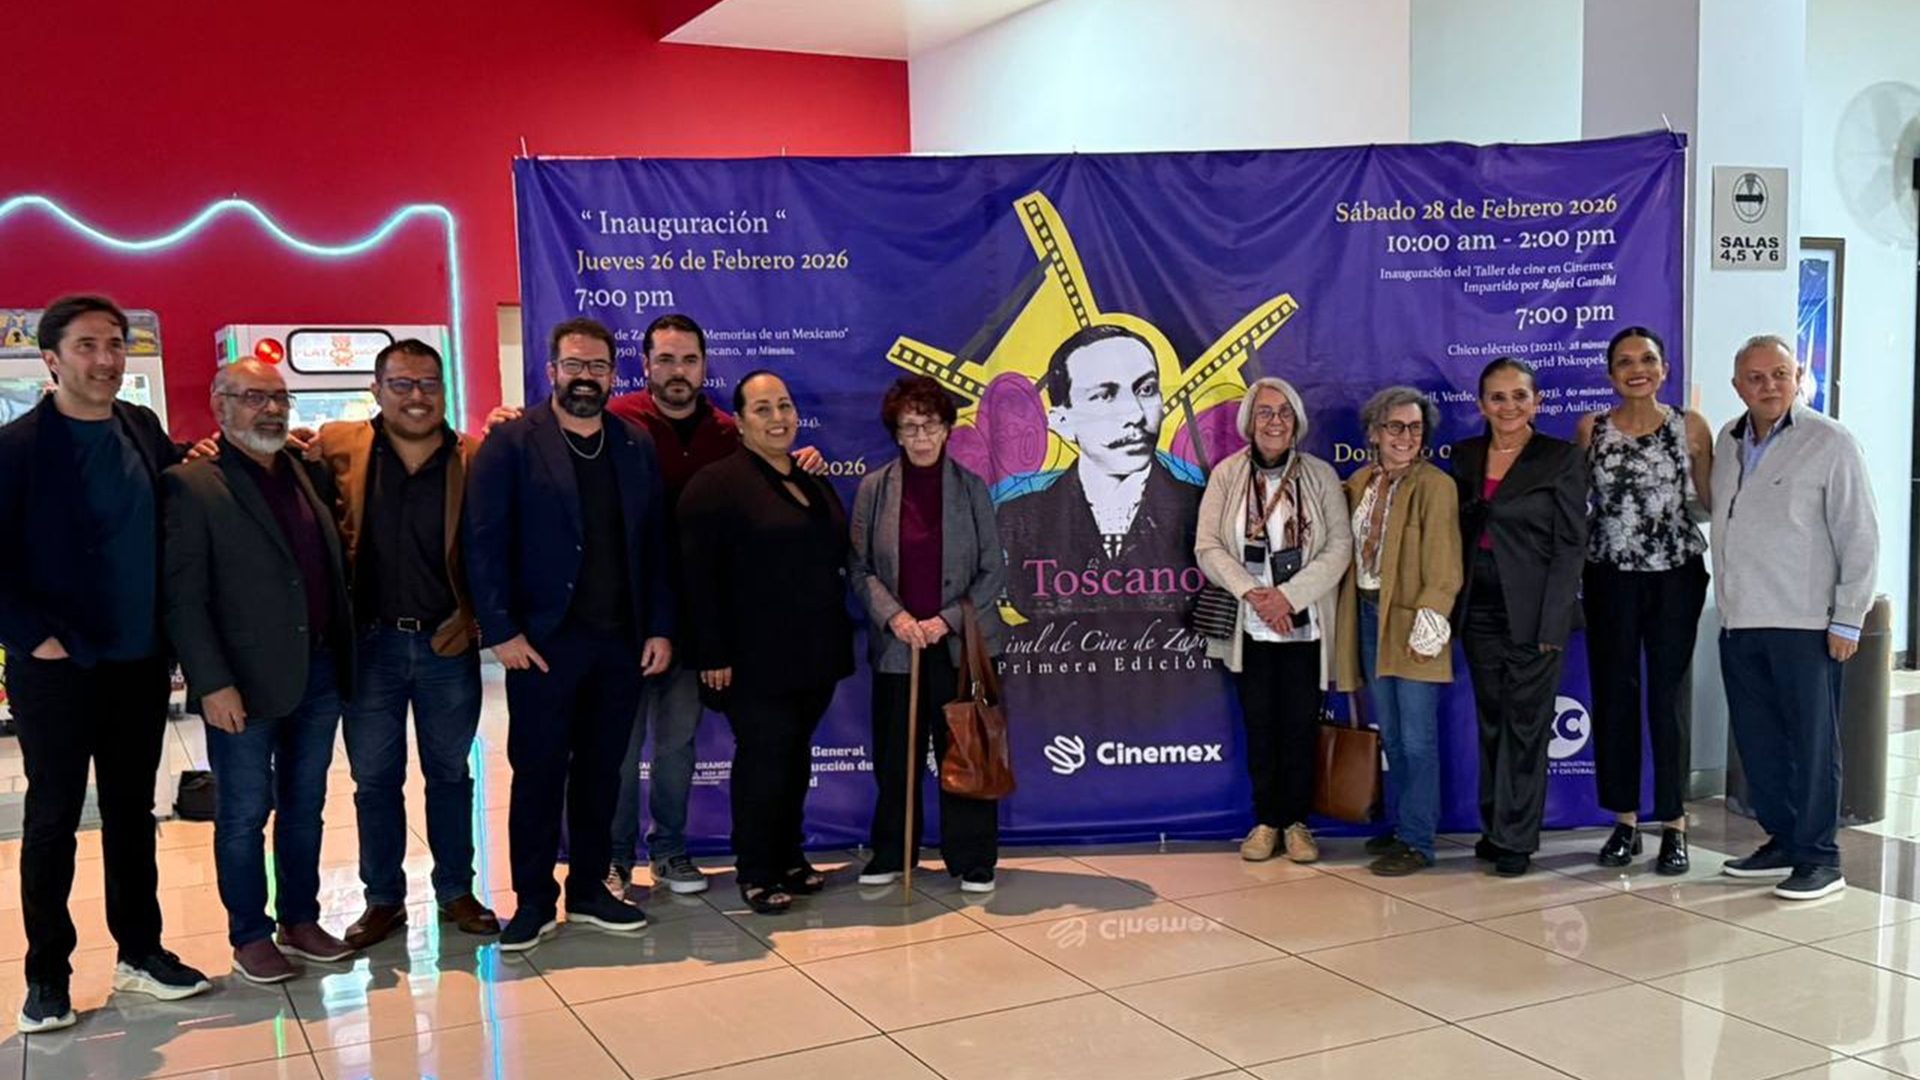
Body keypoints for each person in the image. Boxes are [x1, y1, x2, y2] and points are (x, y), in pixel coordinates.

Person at [0, 296, 210, 1031]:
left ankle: (140, 952)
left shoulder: (140, 427)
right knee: (53, 818)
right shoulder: (18, 447)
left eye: (116, 344)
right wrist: (32, 636)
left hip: (137, 660)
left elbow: (181, 486)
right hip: (57, 666)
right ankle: (46, 976)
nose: (105, 359)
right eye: (87, 345)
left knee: (130, 811)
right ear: (51, 359)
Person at [464, 317, 675, 951]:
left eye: (598, 367)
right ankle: (532, 901)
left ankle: (588, 889)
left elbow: (655, 545)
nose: (587, 378)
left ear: (614, 375)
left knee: (602, 772)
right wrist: (501, 631)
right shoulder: (512, 443)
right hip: (542, 645)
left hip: (619, 643)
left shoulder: (634, 444)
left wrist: (659, 626)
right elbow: (482, 542)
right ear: (552, 371)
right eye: (575, 366)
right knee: (537, 774)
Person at [163, 359, 359, 982]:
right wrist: (211, 682)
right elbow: (183, 598)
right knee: (244, 814)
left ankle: (300, 920)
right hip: (241, 684)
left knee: (305, 806)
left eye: (278, 397)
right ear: (220, 406)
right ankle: (249, 933)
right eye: (253, 397)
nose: (270, 409)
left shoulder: (305, 470)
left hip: (318, 671)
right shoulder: (193, 484)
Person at [308, 339, 499, 948]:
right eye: (402, 384)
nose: (417, 397)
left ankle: (456, 892)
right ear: (376, 390)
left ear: (444, 390)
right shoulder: (338, 446)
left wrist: (476, 619)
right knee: (375, 781)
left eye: (429, 384)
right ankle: (384, 900)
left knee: (450, 776)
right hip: (371, 648)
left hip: (446, 645)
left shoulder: (473, 456)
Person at [678, 371, 854, 914]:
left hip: (814, 652)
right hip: (751, 660)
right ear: (739, 421)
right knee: (764, 760)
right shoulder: (715, 485)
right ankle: (756, 869)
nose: (778, 418)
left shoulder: (810, 478)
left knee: (795, 757)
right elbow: (696, 578)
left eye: (784, 406)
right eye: (762, 409)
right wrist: (712, 653)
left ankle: (789, 856)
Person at [1713, 334, 1878, 901]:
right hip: (1740, 621)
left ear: (1798, 377)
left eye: (1780, 374)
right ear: (1738, 386)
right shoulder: (1728, 439)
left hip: (1805, 623)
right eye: (1756, 378)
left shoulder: (1830, 441)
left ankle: (1820, 857)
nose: (1769, 386)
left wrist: (1849, 618)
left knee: (1812, 745)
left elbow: (1860, 534)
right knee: (1760, 744)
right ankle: (1783, 840)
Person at [849, 375, 1007, 893]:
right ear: (896, 432)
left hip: (961, 647)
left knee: (968, 750)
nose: (921, 437)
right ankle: (893, 852)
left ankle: (973, 857)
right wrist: (896, 618)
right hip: (899, 645)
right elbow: (859, 567)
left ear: (947, 429)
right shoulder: (875, 489)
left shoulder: (971, 487)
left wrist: (946, 621)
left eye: (930, 425)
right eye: (910, 426)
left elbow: (992, 571)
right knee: (897, 757)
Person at [1195, 377, 1350, 864]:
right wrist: (1254, 595)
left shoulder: (1320, 475)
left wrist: (1287, 597)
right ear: (1249, 421)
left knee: (1300, 726)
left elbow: (1339, 547)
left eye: (1284, 412)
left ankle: (1297, 823)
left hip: (1305, 624)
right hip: (1250, 625)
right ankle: (1266, 822)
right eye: (1265, 412)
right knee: (1260, 725)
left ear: (1297, 421)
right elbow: (1207, 546)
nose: (1275, 421)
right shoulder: (1227, 475)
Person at [1575, 327, 1713, 875]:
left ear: (1664, 369)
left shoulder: (1690, 426)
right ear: (1611, 374)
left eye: (1648, 359)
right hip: (1610, 577)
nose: (1638, 369)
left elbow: (1709, 501)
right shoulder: (1591, 428)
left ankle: (1674, 823)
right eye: (1625, 362)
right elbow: (1577, 505)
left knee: (1667, 698)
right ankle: (1625, 821)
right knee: (1615, 695)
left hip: (1676, 575)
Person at [1452, 358, 1588, 878]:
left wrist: (1553, 623)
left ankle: (1516, 838)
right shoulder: (1466, 456)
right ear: (1481, 404)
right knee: (1492, 721)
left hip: (1535, 614)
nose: (1508, 406)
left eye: (1519, 396)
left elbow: (1571, 545)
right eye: (1497, 397)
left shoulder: (1560, 458)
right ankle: (1494, 828)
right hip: (1478, 610)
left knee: (1526, 727)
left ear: (1537, 402)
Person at [1333, 386, 1461, 877]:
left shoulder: (1436, 486)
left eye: (1414, 428)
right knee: (1392, 735)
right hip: (1367, 617)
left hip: (1413, 622)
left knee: (1418, 738)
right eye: (1395, 427)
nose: (1405, 436)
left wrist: (1431, 622)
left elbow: (1445, 566)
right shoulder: (1359, 482)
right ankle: (1405, 823)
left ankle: (1418, 840)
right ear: (1374, 433)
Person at [999, 324, 1200, 617]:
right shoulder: (1019, 520)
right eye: (1105, 395)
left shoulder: (1201, 508)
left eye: (1146, 390)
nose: (1135, 414)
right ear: (1062, 421)